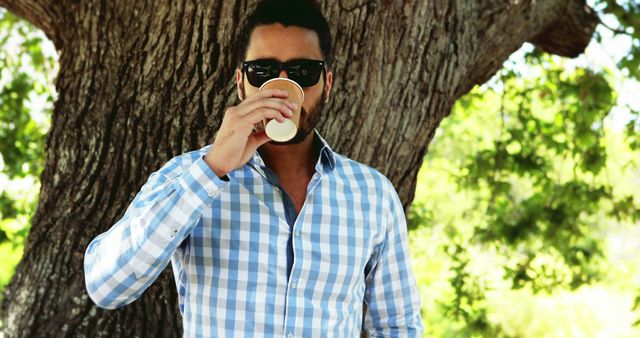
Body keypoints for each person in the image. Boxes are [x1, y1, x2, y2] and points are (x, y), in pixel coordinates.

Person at [83, 0, 424, 336]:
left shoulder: (372, 194)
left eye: (303, 72)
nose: (281, 89)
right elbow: (106, 286)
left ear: (328, 83)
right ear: (241, 82)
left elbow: (398, 326)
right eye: (262, 72)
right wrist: (213, 168)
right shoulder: (186, 176)